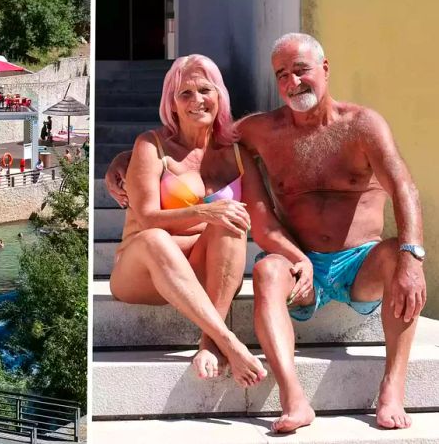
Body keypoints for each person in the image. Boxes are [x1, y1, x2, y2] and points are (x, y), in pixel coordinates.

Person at [104, 34, 425, 433]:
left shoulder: (356, 126)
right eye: (283, 74)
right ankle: (284, 391)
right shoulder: (260, 131)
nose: (293, 82)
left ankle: (392, 388)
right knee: (256, 264)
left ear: (324, 70)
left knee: (400, 258)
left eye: (301, 70)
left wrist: (413, 254)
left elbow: (403, 187)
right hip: (209, 265)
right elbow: (184, 142)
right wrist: (124, 159)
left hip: (358, 261)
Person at [106, 54, 320, 391]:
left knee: (233, 219)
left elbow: (263, 223)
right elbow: (146, 217)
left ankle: (207, 344)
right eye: (185, 94)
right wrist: (205, 212)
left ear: (219, 96)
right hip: (142, 268)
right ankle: (229, 342)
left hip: (204, 271)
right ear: (171, 104)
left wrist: (299, 257)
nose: (196, 101)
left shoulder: (236, 154)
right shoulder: (151, 146)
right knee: (157, 239)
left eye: (205, 90)